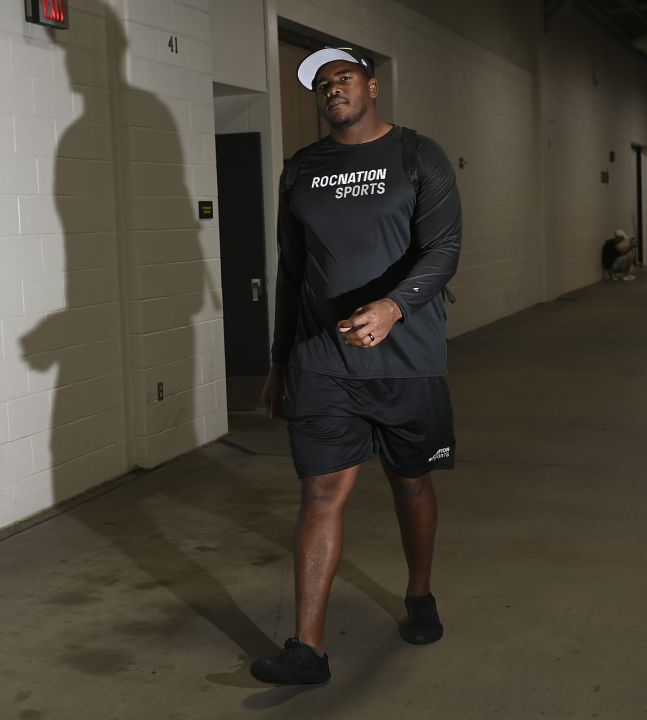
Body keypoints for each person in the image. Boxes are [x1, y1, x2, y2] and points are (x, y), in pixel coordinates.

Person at [251, 46, 462, 685]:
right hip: (321, 358)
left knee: (410, 482)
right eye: (321, 83)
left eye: (343, 77)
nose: (331, 88)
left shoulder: (417, 156)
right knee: (321, 491)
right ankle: (308, 649)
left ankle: (419, 593)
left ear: (371, 85)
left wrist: (395, 307)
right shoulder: (301, 170)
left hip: (407, 357)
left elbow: (444, 246)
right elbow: (291, 272)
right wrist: (281, 359)